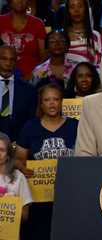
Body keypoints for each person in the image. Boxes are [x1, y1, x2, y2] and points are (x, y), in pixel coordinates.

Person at [15, 83, 78, 240]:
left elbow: (85, 156)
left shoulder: (75, 125)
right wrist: (23, 168)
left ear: (61, 101)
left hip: (69, 195)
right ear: (41, 104)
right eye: (47, 100)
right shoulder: (30, 127)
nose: (51, 103)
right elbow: (18, 159)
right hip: (39, 198)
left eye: (55, 99)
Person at [0, 0, 46, 80]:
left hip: (32, 78)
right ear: (9, 1)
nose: (20, 1)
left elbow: (44, 57)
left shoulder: (38, 24)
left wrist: (33, 75)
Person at [0, 45, 37, 142]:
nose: (8, 63)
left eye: (12, 60)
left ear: (16, 62)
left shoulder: (29, 90)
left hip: (19, 142)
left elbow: (32, 121)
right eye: (4, 59)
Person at [0, 131, 32, 240]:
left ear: (8, 154)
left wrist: (11, 207)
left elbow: (25, 216)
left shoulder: (19, 177)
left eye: (2, 150)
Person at [64, 0, 102, 70]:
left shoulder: (96, 36)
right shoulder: (61, 37)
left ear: (86, 9)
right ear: (67, 11)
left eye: (80, 6)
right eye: (72, 7)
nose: (76, 10)